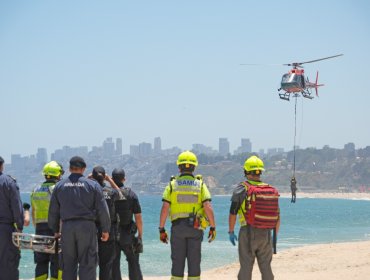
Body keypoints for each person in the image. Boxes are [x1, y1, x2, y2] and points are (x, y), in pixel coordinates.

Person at [48, 156, 111, 280]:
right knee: (88, 263)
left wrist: (55, 230)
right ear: (84, 169)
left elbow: (53, 211)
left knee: (68, 264)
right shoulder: (92, 185)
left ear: (70, 168)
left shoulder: (60, 186)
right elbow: (103, 209)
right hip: (87, 227)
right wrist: (105, 229)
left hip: (67, 228)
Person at [159, 151, 216, 280]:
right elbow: (207, 206)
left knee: (177, 263)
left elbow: (165, 208)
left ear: (179, 167)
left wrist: (161, 229)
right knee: (194, 262)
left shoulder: (172, 185)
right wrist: (213, 227)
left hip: (177, 228)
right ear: (194, 167)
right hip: (195, 228)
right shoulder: (200, 185)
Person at [228, 155, 280, 280]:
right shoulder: (269, 189)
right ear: (260, 172)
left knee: (246, 268)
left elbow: (233, 212)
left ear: (246, 171)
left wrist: (231, 231)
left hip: (248, 232)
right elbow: (278, 216)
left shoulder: (241, 188)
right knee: (266, 268)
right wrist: (274, 236)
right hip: (266, 233)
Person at [31, 161, 64, 280]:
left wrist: (37, 229)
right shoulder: (59, 188)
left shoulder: (36, 189)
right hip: (55, 231)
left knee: (41, 263)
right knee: (57, 263)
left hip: (39, 230)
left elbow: (33, 212)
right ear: (58, 174)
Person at [90, 166, 122, 280]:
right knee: (106, 264)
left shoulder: (89, 190)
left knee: (90, 264)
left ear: (93, 176)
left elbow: (79, 190)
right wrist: (109, 179)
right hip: (108, 230)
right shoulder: (110, 191)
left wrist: (87, 178)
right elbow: (120, 193)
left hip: (91, 230)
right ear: (104, 177)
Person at [112, 168, 143, 280]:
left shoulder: (108, 193)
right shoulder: (131, 194)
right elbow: (138, 217)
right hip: (128, 234)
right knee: (133, 262)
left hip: (112, 234)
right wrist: (140, 235)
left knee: (114, 264)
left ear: (112, 179)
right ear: (124, 179)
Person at [0, 156, 24, 280]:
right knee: (8, 264)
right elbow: (16, 207)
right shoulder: (8, 182)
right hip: (5, 230)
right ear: (2, 165)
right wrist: (19, 228)